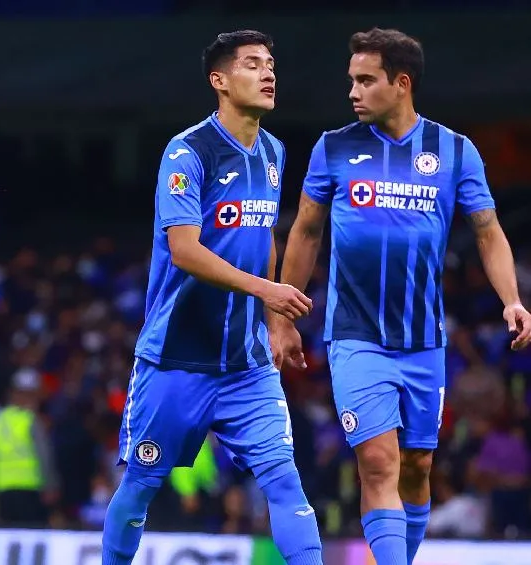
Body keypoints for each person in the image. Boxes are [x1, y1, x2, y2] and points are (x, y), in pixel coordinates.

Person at [274, 27, 531, 565]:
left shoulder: (455, 152)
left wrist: (511, 298)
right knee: (378, 462)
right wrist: (282, 317)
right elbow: (305, 232)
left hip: (423, 342)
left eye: (366, 80)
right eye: (352, 80)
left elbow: (488, 231)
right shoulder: (334, 147)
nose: (354, 91)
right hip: (355, 335)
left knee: (416, 467)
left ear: (402, 83)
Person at [100, 31, 323, 565]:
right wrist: (267, 289)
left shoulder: (273, 151)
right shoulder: (188, 151)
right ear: (219, 81)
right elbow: (184, 250)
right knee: (141, 486)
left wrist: (276, 321)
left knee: (285, 481)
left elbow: (264, 236)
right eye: (252, 65)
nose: (268, 74)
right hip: (178, 356)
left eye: (271, 64)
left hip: (246, 364)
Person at [0, 368, 59, 526]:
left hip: (1, 490)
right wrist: (50, 485)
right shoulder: (29, 420)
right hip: (30, 488)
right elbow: (44, 454)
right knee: (30, 535)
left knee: (9, 535)